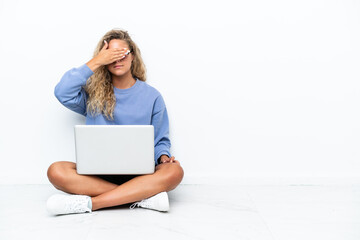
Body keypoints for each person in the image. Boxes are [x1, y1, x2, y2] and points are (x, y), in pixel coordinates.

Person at [46, 29, 184, 215]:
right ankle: (142, 198)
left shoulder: (152, 96)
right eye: (111, 55)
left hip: (140, 174)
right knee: (56, 171)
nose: (117, 60)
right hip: (97, 174)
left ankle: (92, 204)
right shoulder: (92, 95)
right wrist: (97, 61)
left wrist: (164, 158)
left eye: (122, 54)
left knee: (175, 172)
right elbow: (62, 92)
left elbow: (160, 140)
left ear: (133, 56)